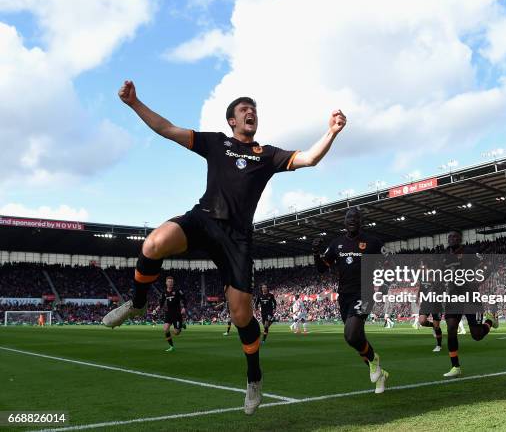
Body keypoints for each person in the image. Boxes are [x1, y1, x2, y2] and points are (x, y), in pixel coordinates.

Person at [102, 80, 347, 414]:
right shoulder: (216, 143)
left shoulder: (267, 155)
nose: (251, 114)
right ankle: (138, 303)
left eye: (254, 111)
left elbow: (309, 158)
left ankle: (254, 378)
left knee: (241, 314)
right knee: (153, 243)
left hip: (237, 239)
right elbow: (167, 129)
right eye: (244, 110)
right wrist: (135, 103)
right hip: (203, 220)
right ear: (231, 120)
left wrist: (331, 132)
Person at [313, 207, 389, 394]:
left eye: (356, 217)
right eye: (349, 218)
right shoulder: (337, 243)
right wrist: (316, 252)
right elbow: (322, 268)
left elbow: (389, 263)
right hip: (344, 296)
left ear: (361, 221)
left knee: (353, 333)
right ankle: (379, 373)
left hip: (364, 293)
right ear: (344, 221)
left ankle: (374, 361)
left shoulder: (372, 242)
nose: (352, 220)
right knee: (352, 338)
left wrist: (385, 284)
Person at [442, 230, 498, 378]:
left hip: (470, 295)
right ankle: (455, 366)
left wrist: (479, 280)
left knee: (477, 335)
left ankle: (490, 320)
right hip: (453, 296)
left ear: (460, 239)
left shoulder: (469, 252)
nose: (452, 238)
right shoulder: (445, 255)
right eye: (450, 236)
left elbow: (488, 264)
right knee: (451, 328)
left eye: (455, 236)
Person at [153, 276, 186, 352]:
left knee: (176, 333)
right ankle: (171, 346)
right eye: (169, 282)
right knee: (165, 329)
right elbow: (161, 303)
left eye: (171, 282)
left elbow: (184, 299)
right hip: (168, 313)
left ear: (173, 283)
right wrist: (157, 308)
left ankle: (181, 325)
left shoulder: (177, 291)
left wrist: (184, 307)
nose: (170, 283)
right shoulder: (164, 292)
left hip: (177, 314)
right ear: (166, 283)